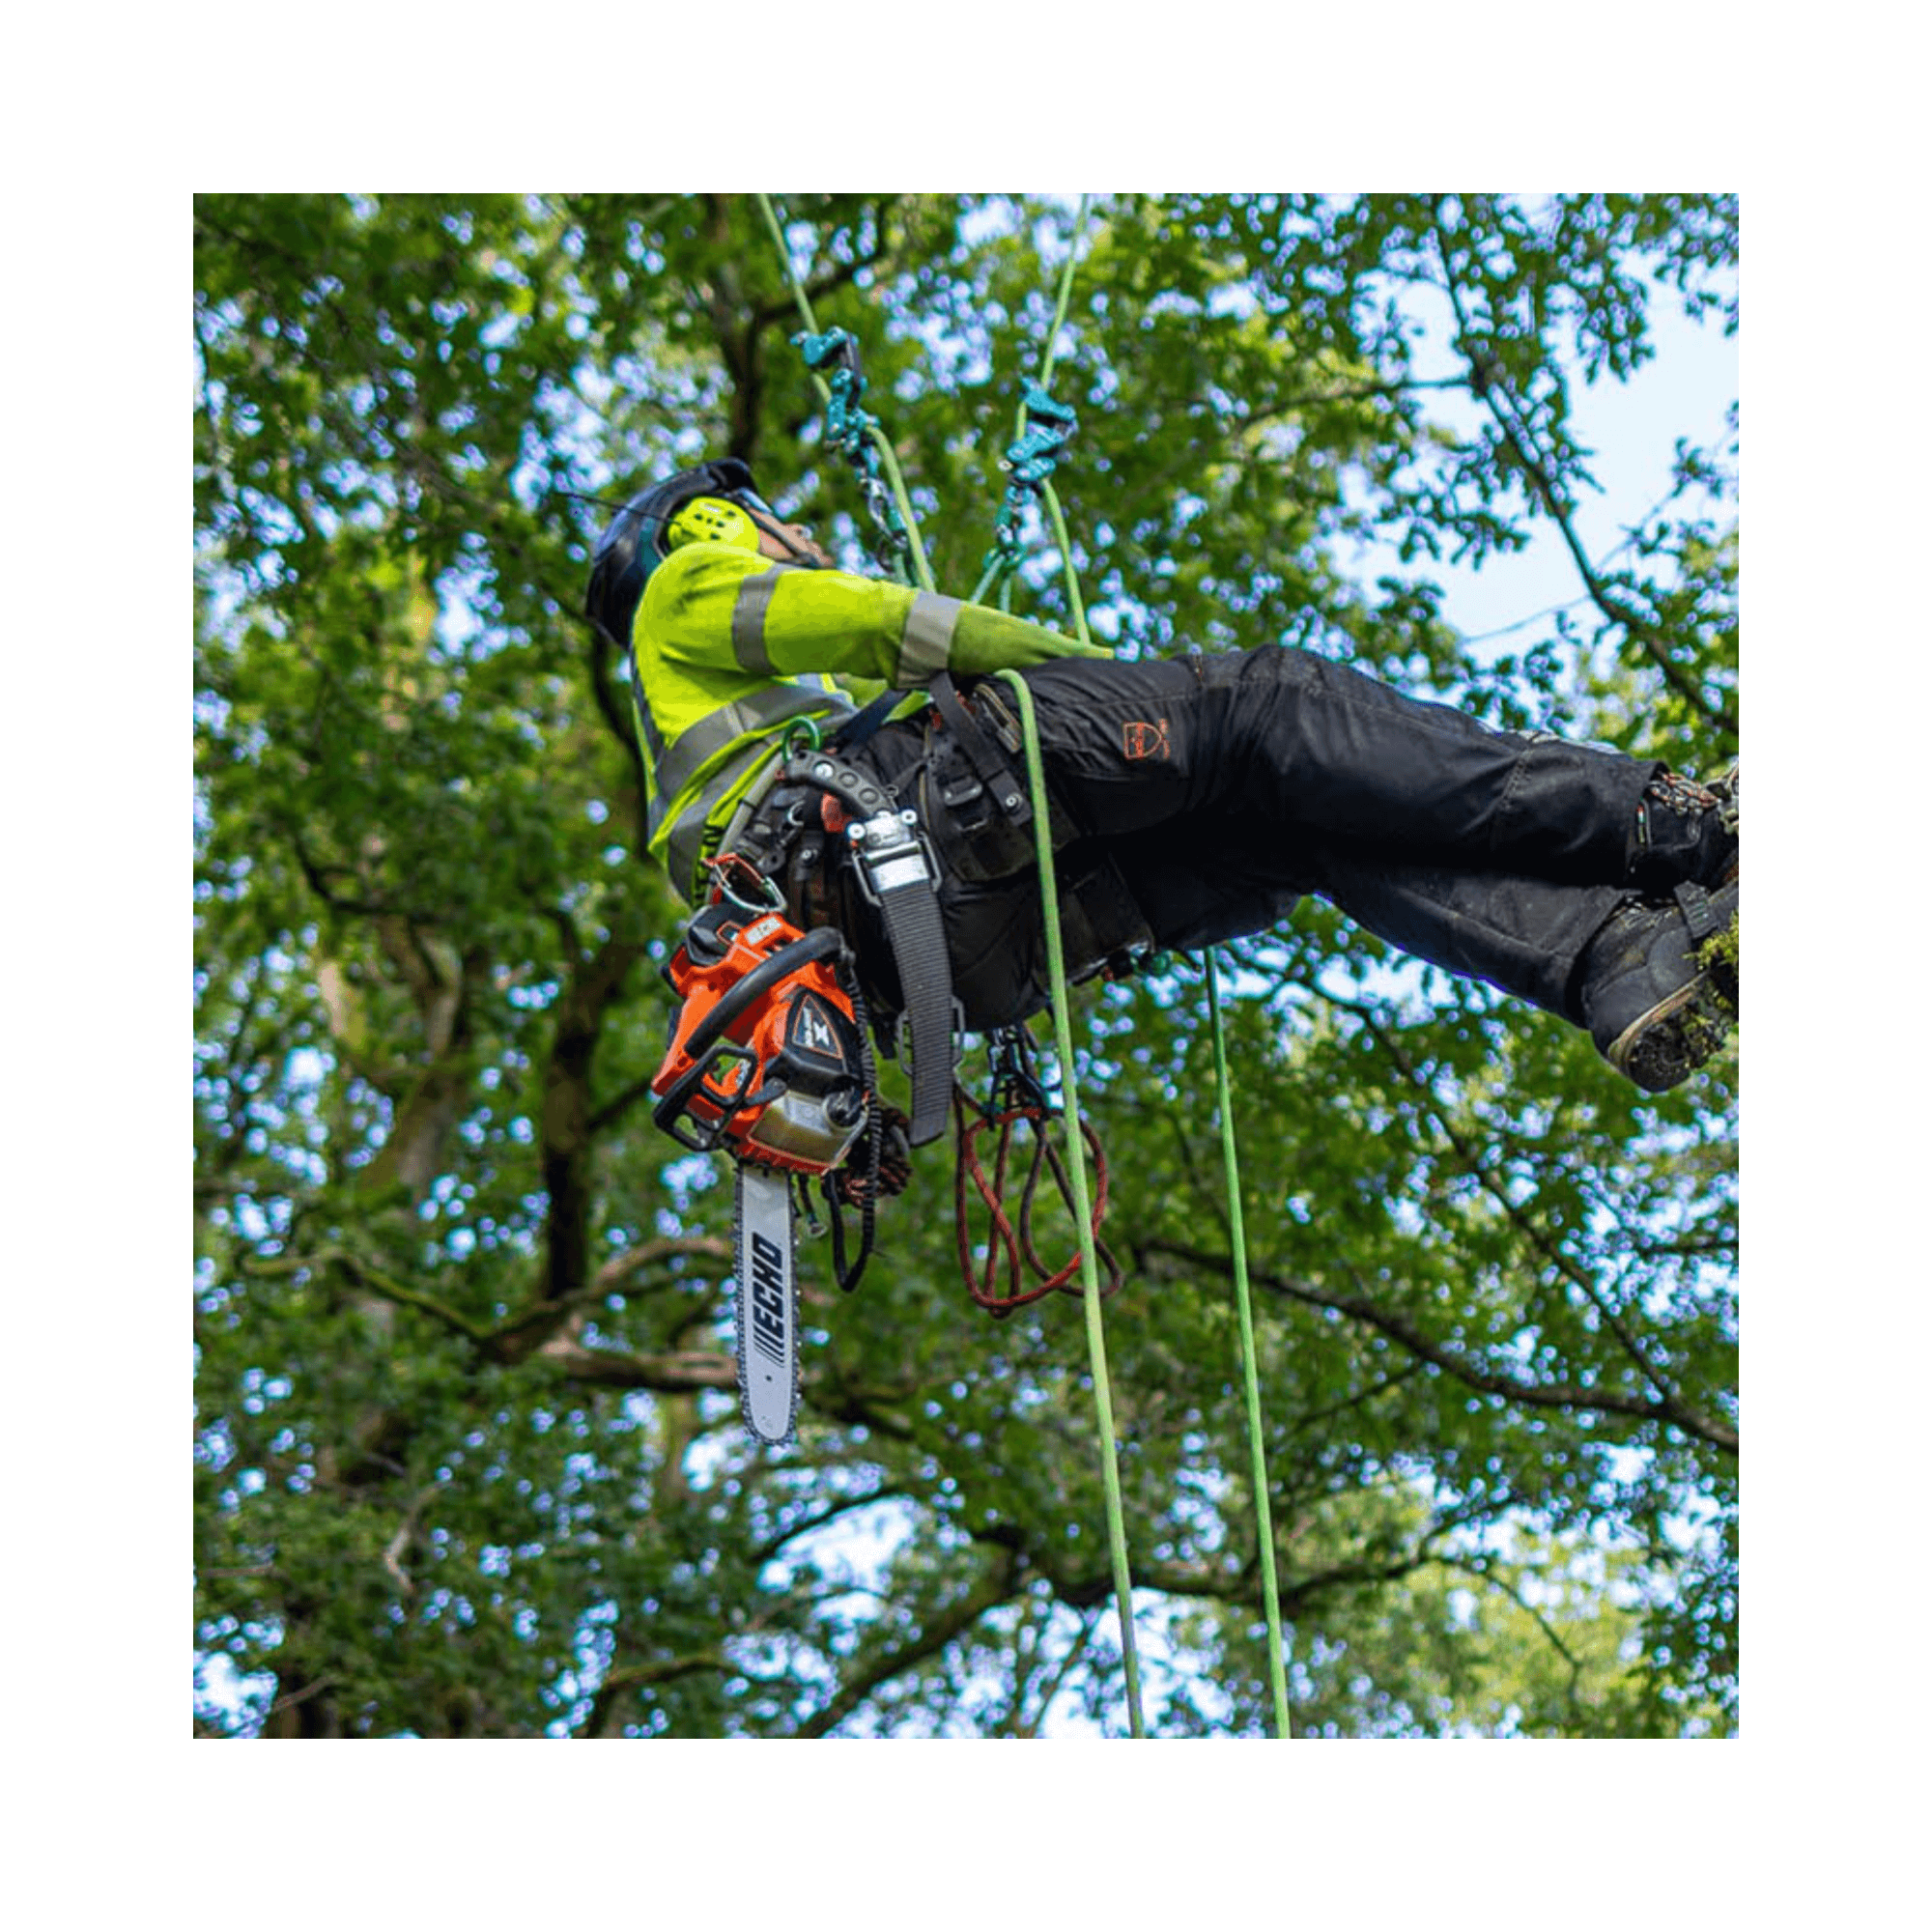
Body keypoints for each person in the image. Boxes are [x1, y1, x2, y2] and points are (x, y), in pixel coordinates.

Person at [586, 458, 1738, 1119]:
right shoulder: (687, 582)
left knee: (1299, 823)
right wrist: (1093, 678)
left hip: (974, 951)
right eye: (772, 521)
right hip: (946, 821)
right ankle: (1679, 827)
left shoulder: (712, 768)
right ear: (710, 522)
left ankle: (1610, 958)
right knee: (1268, 708)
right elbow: (894, 621)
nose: (794, 533)